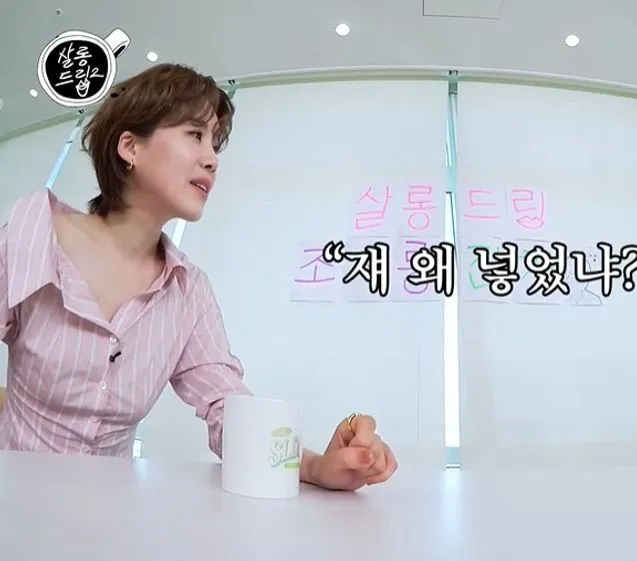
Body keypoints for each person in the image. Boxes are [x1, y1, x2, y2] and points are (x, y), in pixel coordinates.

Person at [0, 63, 397, 491]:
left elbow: (228, 409)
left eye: (214, 142)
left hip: (108, 512)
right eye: (194, 134)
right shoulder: (32, 238)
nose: (212, 159)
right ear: (130, 147)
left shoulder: (187, 291)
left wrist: (316, 467)